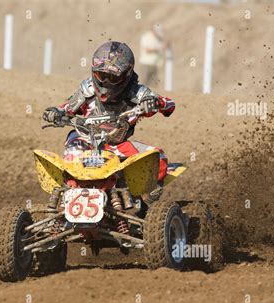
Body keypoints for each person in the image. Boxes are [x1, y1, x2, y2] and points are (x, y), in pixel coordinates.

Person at [42, 41, 175, 201]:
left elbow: (169, 105)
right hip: (85, 140)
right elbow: (68, 108)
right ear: (94, 72)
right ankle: (67, 195)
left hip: (116, 145)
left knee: (158, 159)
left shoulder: (137, 92)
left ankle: (139, 202)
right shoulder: (88, 89)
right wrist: (56, 112)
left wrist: (155, 103)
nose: (106, 82)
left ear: (125, 75)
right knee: (73, 149)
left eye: (112, 78)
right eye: (102, 75)